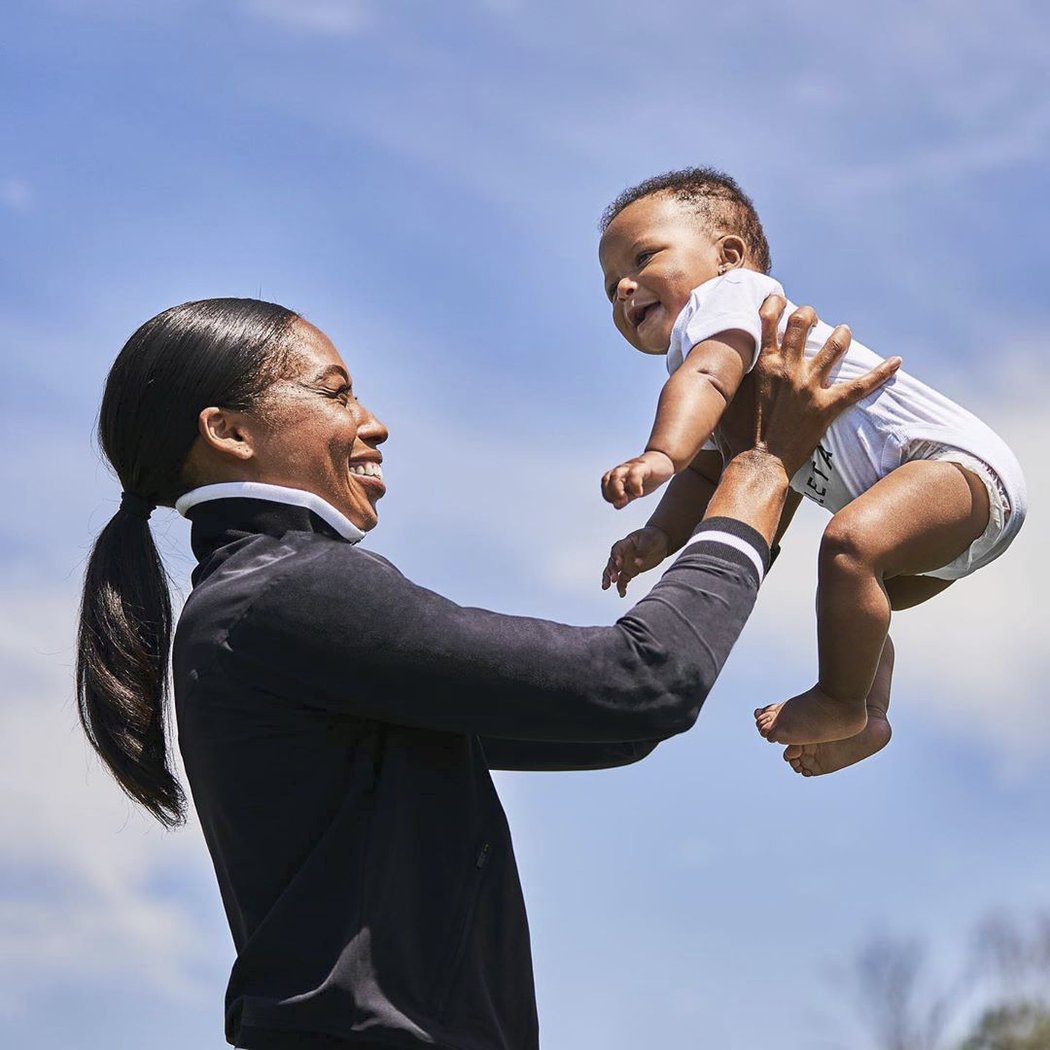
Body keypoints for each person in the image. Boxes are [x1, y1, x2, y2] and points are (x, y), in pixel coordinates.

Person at [76, 295, 894, 1050]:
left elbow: (612, 722)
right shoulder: (289, 593)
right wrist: (755, 481)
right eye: (335, 393)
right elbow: (640, 683)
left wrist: (752, 494)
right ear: (229, 432)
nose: (373, 423)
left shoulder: (261, 604)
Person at [598, 167, 1027, 777]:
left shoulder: (730, 300)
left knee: (849, 546)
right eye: (611, 283)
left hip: (955, 471)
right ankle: (869, 714)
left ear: (728, 257)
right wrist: (660, 537)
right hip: (948, 525)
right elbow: (709, 476)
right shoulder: (728, 367)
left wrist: (660, 453)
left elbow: (704, 377)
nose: (623, 287)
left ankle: (840, 700)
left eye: (643, 258)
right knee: (856, 595)